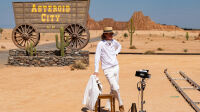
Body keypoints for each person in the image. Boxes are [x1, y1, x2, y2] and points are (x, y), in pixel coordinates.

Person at [93, 27, 124, 112]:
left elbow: (120, 46)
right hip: (107, 69)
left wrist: (116, 52)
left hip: (116, 67)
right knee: (116, 87)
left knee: (113, 88)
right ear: (105, 34)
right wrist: (96, 70)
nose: (111, 35)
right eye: (109, 34)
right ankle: (121, 104)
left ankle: (109, 106)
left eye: (112, 34)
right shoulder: (101, 44)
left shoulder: (114, 42)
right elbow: (97, 57)